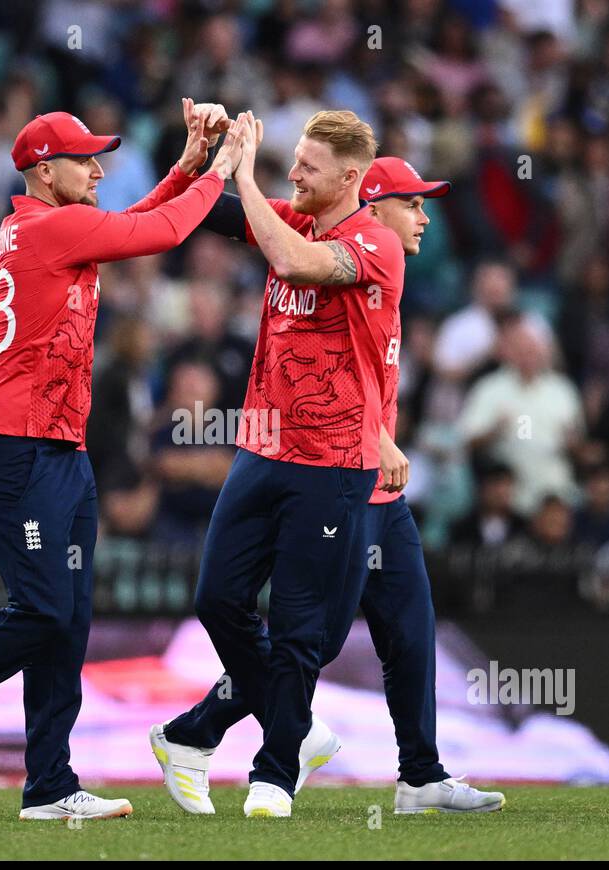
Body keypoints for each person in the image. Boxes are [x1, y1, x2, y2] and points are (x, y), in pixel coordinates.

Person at [0, 100, 245, 821]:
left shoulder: (45, 225)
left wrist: (186, 165)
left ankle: (49, 783)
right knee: (42, 607)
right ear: (45, 170)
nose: (98, 168)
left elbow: (137, 221)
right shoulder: (52, 227)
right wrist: (220, 172)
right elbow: (161, 231)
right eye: (84, 159)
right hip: (19, 451)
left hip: (59, 450)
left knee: (68, 617)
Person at [151, 155, 505, 817]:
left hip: (372, 480)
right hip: (335, 471)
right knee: (312, 643)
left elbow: (355, 359)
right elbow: (321, 355)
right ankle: (226, 748)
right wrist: (207, 169)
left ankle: (420, 773)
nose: (424, 217)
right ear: (372, 203)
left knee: (409, 625)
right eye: (413, 203)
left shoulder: (366, 253)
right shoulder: (349, 244)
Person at [146, 109, 401, 818]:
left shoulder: (376, 244)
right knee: (217, 600)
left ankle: (274, 771)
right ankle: (282, 729)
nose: (293, 174)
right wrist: (202, 154)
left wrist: (247, 174)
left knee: (297, 628)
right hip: (262, 446)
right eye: (290, 162)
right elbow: (193, 214)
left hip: (332, 461)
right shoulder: (290, 213)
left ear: (351, 178)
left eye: (307, 166)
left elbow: (290, 260)